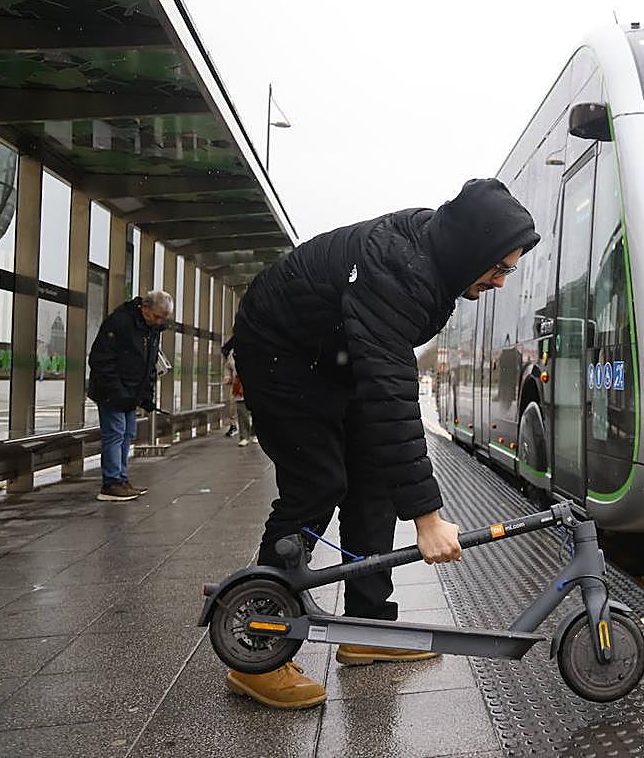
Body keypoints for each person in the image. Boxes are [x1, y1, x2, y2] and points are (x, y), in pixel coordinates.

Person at [225, 178, 538, 710]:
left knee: (372, 482)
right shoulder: (401, 274)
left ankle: (367, 626)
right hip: (279, 352)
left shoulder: (435, 259)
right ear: (472, 250)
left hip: (330, 357)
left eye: (509, 270)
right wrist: (427, 516)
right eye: (500, 268)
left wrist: (409, 502)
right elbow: (394, 399)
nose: (503, 281)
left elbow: (382, 381)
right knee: (317, 482)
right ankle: (260, 647)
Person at [88, 290, 173, 501]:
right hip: (112, 392)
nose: (159, 321)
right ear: (145, 308)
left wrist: (146, 397)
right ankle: (111, 483)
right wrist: (118, 392)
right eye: (156, 316)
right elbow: (101, 359)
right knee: (115, 434)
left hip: (131, 394)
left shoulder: (151, 329)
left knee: (127, 434)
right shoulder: (120, 322)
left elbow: (150, 365)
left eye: (163, 318)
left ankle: (121, 479)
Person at [221, 339, 238, 437]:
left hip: (250, 383)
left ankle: (251, 431)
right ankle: (233, 425)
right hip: (237, 382)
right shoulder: (232, 351)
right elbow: (228, 366)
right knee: (233, 405)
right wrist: (228, 377)